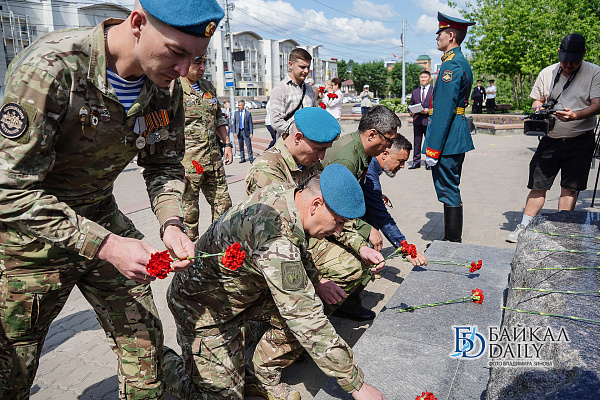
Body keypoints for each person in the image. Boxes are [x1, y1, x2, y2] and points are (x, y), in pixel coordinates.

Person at [0, 0, 224, 398]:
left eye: (194, 58)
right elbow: (10, 189)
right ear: (137, 23)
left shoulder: (165, 87)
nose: (183, 69)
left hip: (101, 216)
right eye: (176, 52)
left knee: (145, 349)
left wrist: (171, 223)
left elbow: (163, 165)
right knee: (11, 373)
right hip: (31, 242)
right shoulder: (53, 69)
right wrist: (106, 245)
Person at [164, 164, 388, 400]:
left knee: (312, 303)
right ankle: (159, 362)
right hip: (203, 309)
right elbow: (305, 317)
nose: (339, 230)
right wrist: (357, 385)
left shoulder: (289, 195)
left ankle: (258, 375)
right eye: (339, 222)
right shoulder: (275, 240)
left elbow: (299, 244)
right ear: (316, 205)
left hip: (244, 293)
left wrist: (316, 281)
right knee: (220, 397)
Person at [507, 33, 600, 243]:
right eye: (565, 60)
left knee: (569, 188)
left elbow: (597, 104)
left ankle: (560, 231)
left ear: (584, 54)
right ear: (559, 52)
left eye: (574, 60)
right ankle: (524, 226)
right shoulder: (547, 72)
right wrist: (539, 109)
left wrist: (576, 115)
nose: (568, 65)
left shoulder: (595, 72)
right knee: (538, 185)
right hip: (550, 139)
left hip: (580, 139)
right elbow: (537, 100)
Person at [322, 105, 405, 320]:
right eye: (389, 140)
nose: (389, 147)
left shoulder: (361, 150)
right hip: (322, 221)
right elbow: (334, 209)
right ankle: (340, 305)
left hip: (335, 214)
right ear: (372, 134)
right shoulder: (348, 159)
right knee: (364, 249)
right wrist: (367, 230)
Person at [423, 12, 475, 243]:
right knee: (450, 186)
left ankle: (452, 242)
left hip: (448, 137)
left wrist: (432, 149)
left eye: (440, 34)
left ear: (451, 36)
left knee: (448, 188)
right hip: (455, 133)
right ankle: (450, 238)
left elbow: (443, 111)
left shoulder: (451, 65)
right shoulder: (457, 61)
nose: (437, 38)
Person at [180, 53, 233, 241]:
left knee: (224, 206)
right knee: (189, 213)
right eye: (197, 63)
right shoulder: (174, 88)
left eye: (204, 63)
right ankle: (189, 253)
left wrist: (227, 144)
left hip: (213, 160)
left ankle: (217, 247)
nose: (202, 68)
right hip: (190, 164)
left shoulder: (208, 87)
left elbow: (219, 117)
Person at [362, 134, 428, 265]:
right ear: (385, 154)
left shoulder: (372, 164)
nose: (402, 166)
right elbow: (383, 217)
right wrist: (406, 249)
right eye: (400, 161)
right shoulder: (370, 174)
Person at [270, 48, 318, 137]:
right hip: (288, 142)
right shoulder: (280, 89)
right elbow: (276, 122)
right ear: (291, 65)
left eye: (308, 67)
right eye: (302, 67)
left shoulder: (309, 89)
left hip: (309, 141)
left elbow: (315, 115)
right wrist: (300, 132)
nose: (306, 71)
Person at [408, 70, 433, 169]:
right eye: (421, 77)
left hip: (429, 120)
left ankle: (429, 162)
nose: (423, 79)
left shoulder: (434, 91)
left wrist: (428, 111)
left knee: (429, 142)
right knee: (417, 142)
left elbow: (438, 105)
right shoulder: (415, 92)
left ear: (429, 79)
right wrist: (411, 111)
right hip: (417, 120)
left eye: (425, 77)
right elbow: (410, 104)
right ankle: (416, 162)